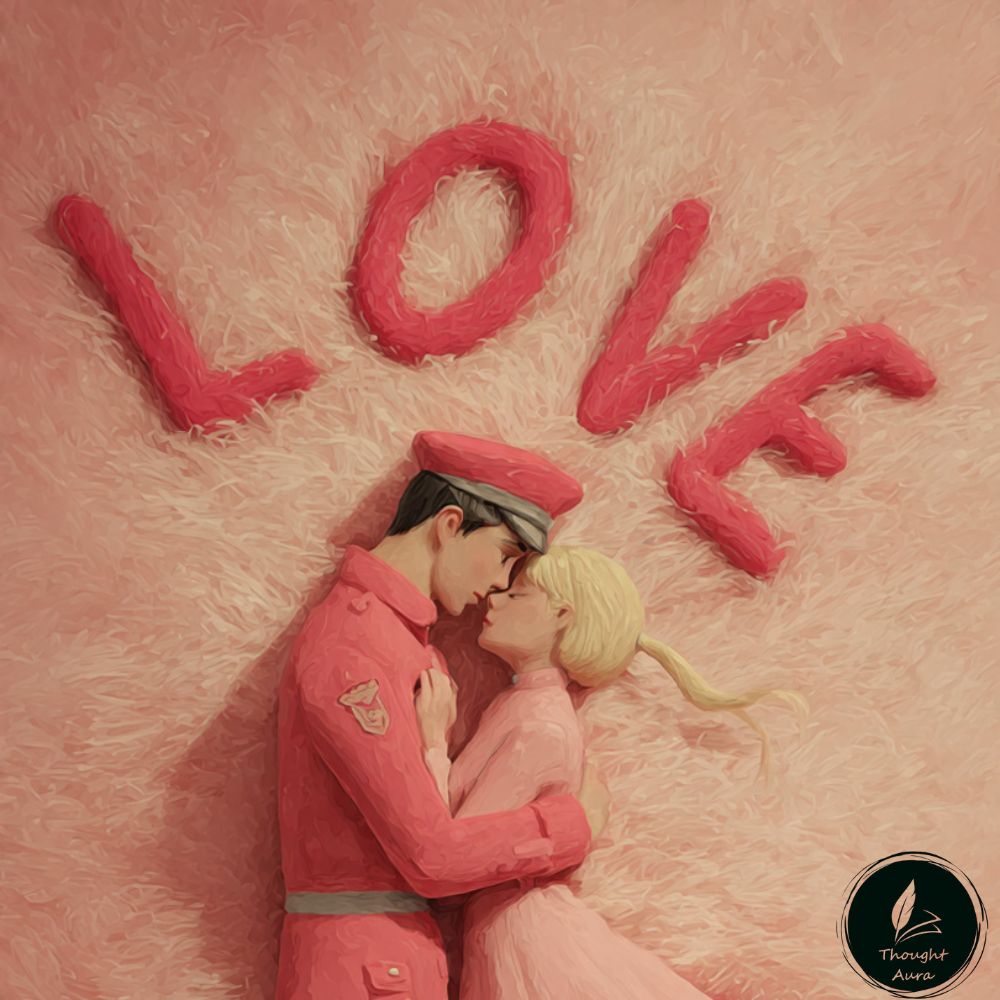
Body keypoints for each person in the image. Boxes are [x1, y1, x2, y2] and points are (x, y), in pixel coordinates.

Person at [274, 431, 611, 1000]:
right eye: (505, 555)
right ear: (450, 524)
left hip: (391, 961)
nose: (500, 583)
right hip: (358, 969)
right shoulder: (352, 646)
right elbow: (432, 856)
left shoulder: (401, 641)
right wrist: (569, 825)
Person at [416, 545, 808, 999]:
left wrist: (432, 742)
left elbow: (459, 856)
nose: (494, 599)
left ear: (561, 615)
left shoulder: (540, 724)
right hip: (509, 932)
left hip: (524, 939)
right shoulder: (521, 705)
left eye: (517, 595)